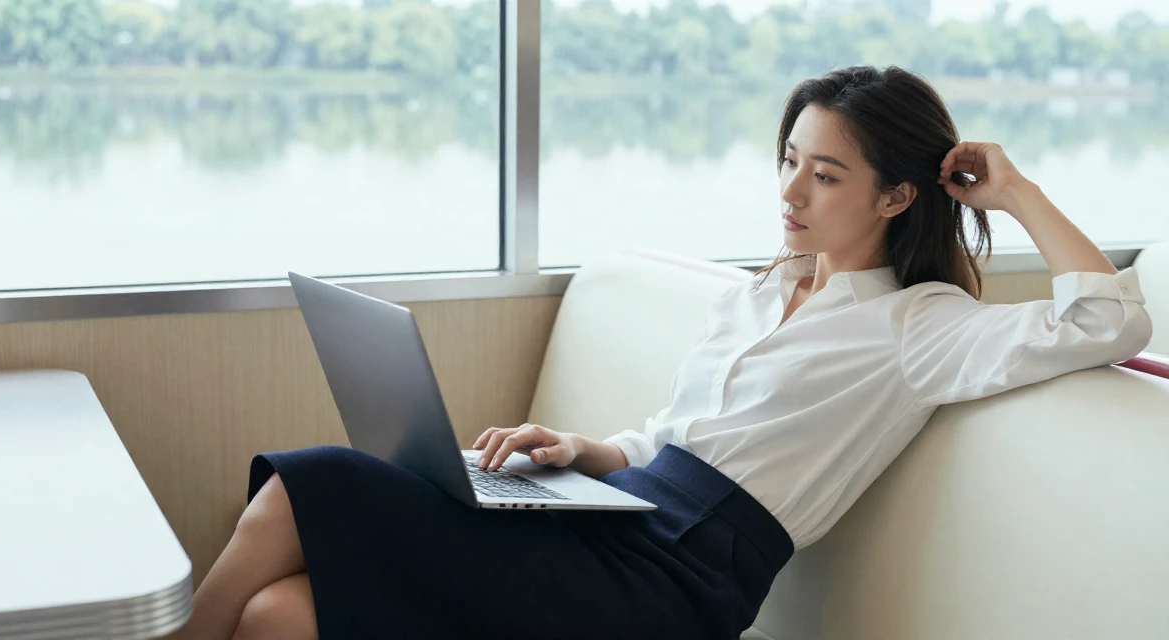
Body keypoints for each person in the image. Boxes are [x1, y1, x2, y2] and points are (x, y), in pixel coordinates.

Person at [166, 66, 1153, 640]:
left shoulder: (917, 324)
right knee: (278, 621)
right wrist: (584, 451)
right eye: (787, 160)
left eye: (825, 173)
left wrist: (1014, 191)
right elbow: (673, 438)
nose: (790, 190)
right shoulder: (763, 290)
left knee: (307, 490)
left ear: (898, 195)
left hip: (677, 584)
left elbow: (1108, 323)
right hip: (624, 520)